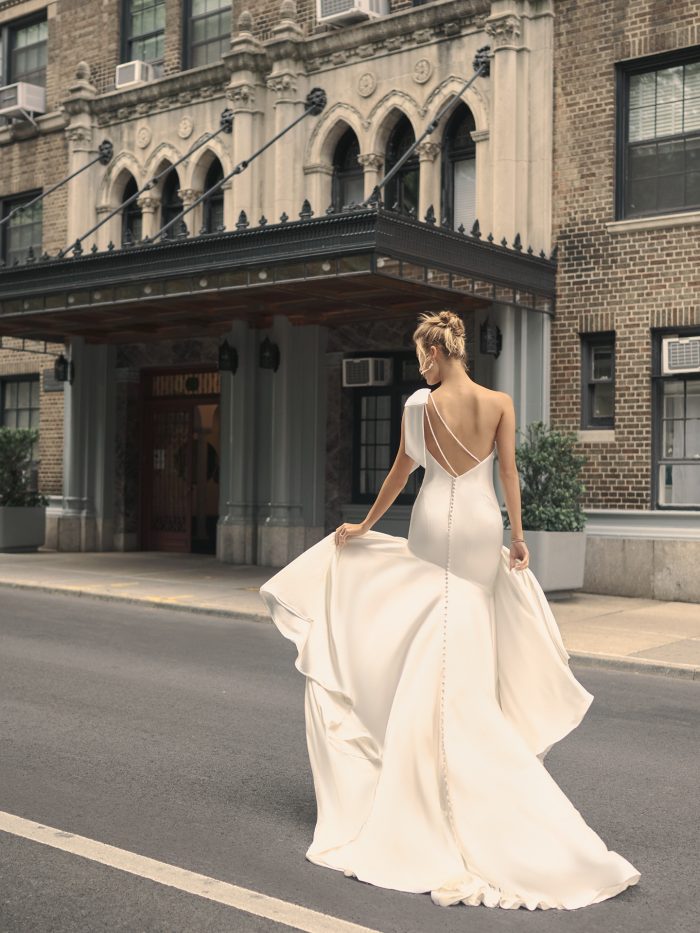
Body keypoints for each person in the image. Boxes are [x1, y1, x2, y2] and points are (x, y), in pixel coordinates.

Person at [259, 309, 641, 910]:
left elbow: (400, 473)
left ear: (438, 353)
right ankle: (461, 726)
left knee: (423, 614)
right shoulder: (499, 403)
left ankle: (408, 732)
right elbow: (509, 474)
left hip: (435, 522)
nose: (420, 367)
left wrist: (364, 524)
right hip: (481, 527)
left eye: (422, 357)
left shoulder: (418, 406)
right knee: (462, 623)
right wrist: (518, 537)